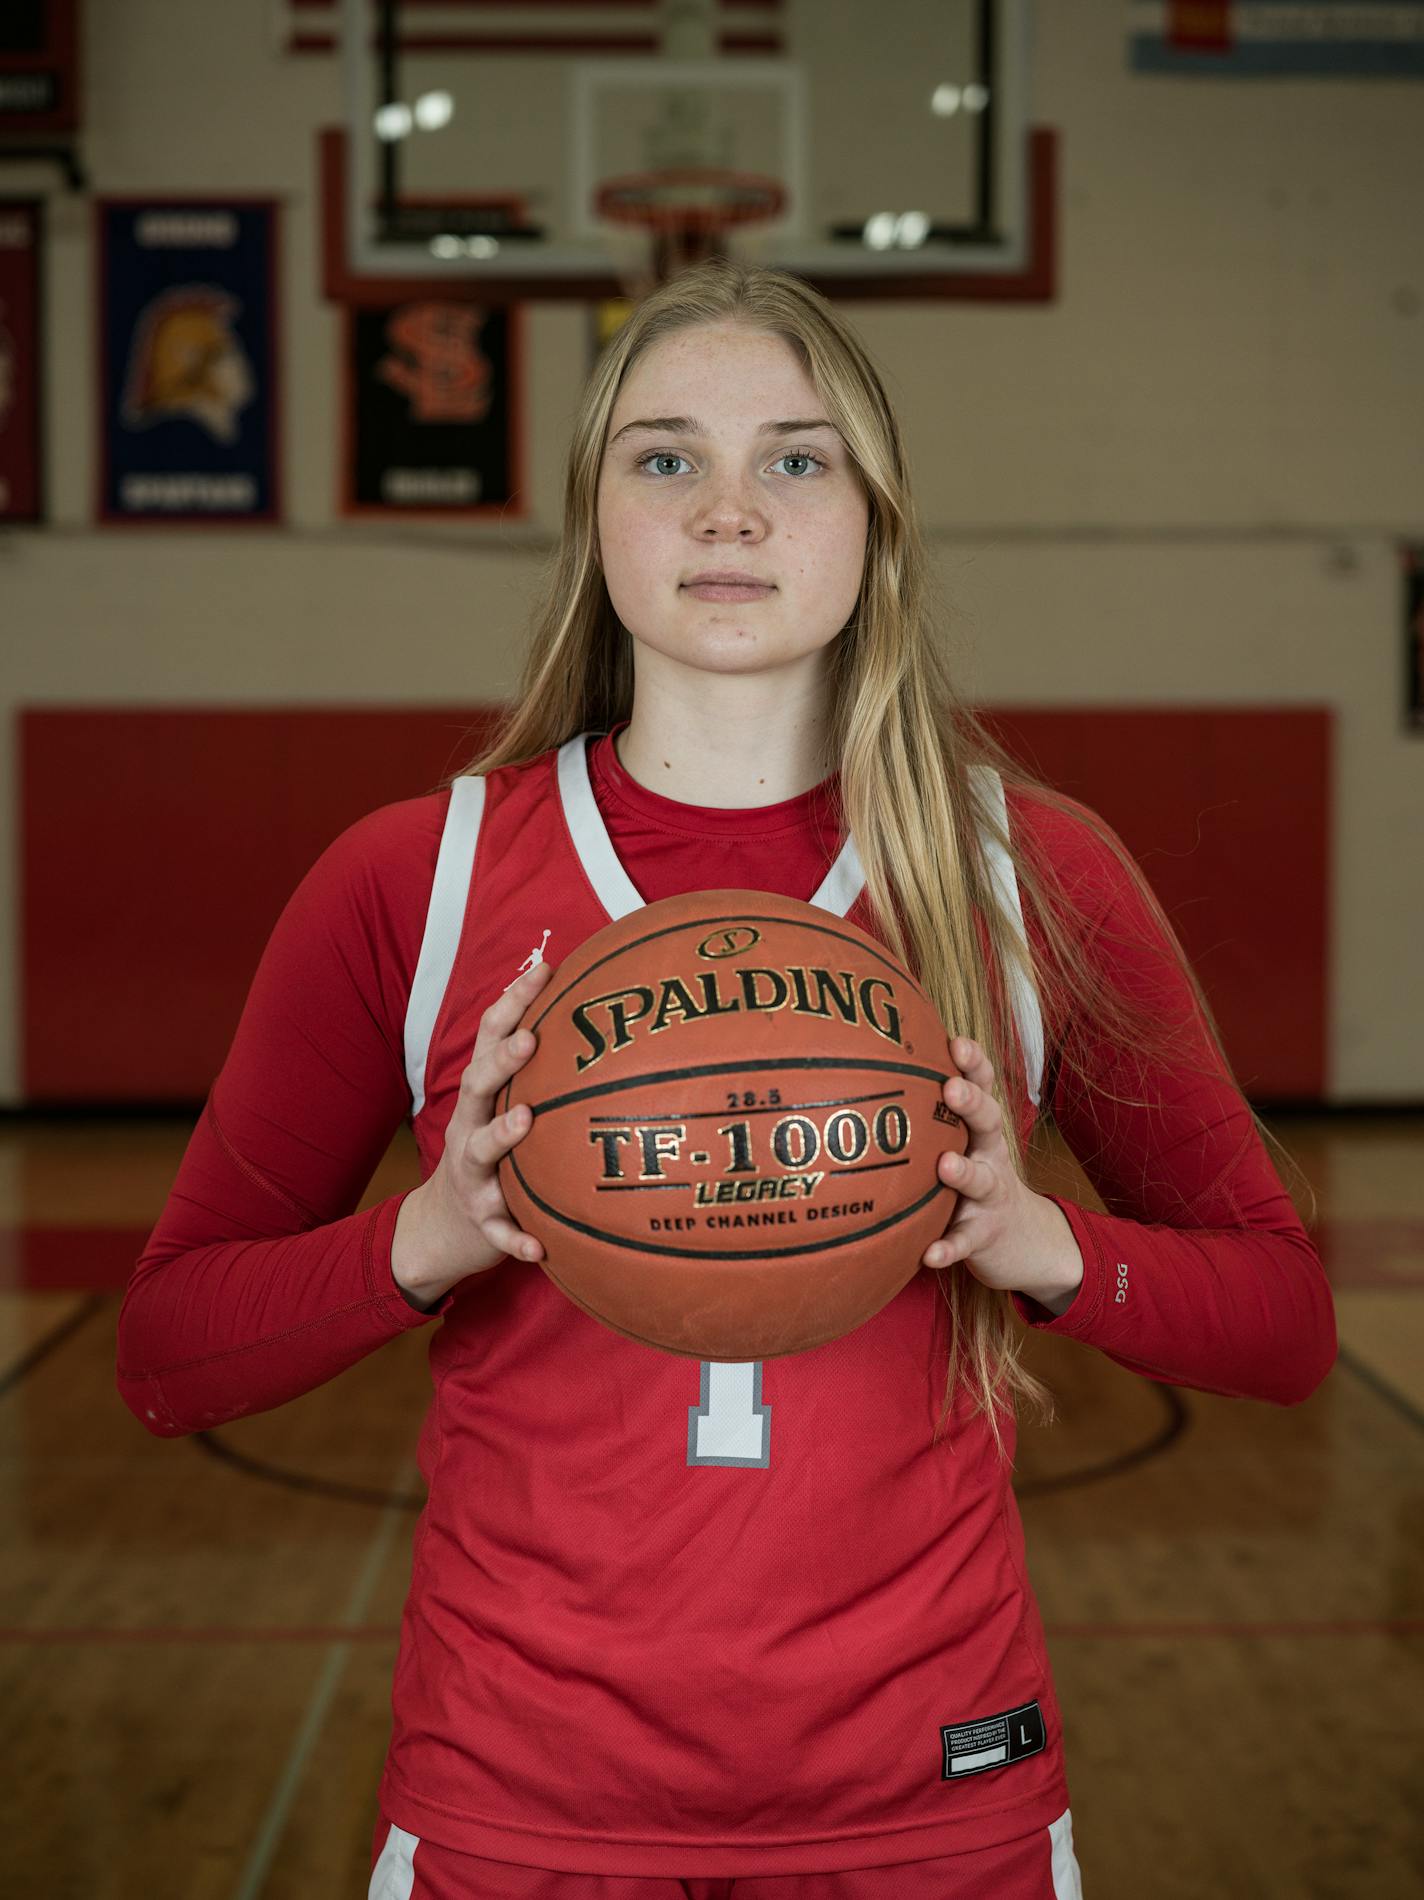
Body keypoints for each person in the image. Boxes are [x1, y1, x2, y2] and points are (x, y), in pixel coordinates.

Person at [116, 259, 1337, 1900]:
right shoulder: (421, 877)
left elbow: (1283, 1321)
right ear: (594, 515)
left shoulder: (1026, 870)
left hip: (934, 1792)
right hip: (516, 1801)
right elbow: (168, 1350)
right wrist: (435, 1236)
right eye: (667, 455)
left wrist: (1035, 1242)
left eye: (799, 457)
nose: (732, 512)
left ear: (875, 518)